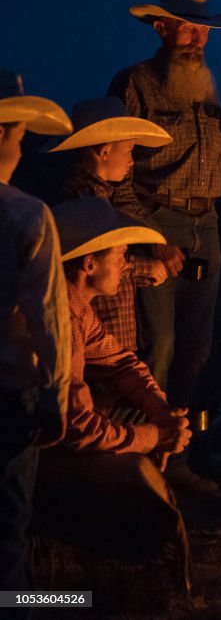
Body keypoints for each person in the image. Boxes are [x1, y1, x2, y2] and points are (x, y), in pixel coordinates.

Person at [108, 0, 221, 409]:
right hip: (159, 221)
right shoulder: (135, 84)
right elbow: (117, 177)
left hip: (207, 228)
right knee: (158, 345)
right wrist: (153, 240)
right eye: (189, 29)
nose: (200, 39)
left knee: (197, 348)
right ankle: (145, 450)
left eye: (205, 30)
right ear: (161, 28)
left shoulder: (208, 93)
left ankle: (179, 450)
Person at [37, 196, 192, 592]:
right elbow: (74, 429)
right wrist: (156, 436)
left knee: (138, 432)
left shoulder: (79, 308)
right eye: (121, 254)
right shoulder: (60, 323)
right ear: (89, 264)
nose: (127, 264)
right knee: (138, 485)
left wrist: (161, 414)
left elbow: (123, 363)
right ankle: (61, 596)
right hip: (34, 457)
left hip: (52, 443)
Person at [0, 70, 71, 603]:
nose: (21, 149)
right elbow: (48, 313)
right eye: (20, 136)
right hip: (10, 392)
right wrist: (57, 392)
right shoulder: (26, 214)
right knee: (7, 528)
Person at [48, 97, 173, 352]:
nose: (131, 161)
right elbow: (90, 262)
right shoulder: (83, 199)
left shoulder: (99, 195)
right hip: (100, 333)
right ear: (105, 151)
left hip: (109, 332)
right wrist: (146, 267)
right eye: (128, 150)